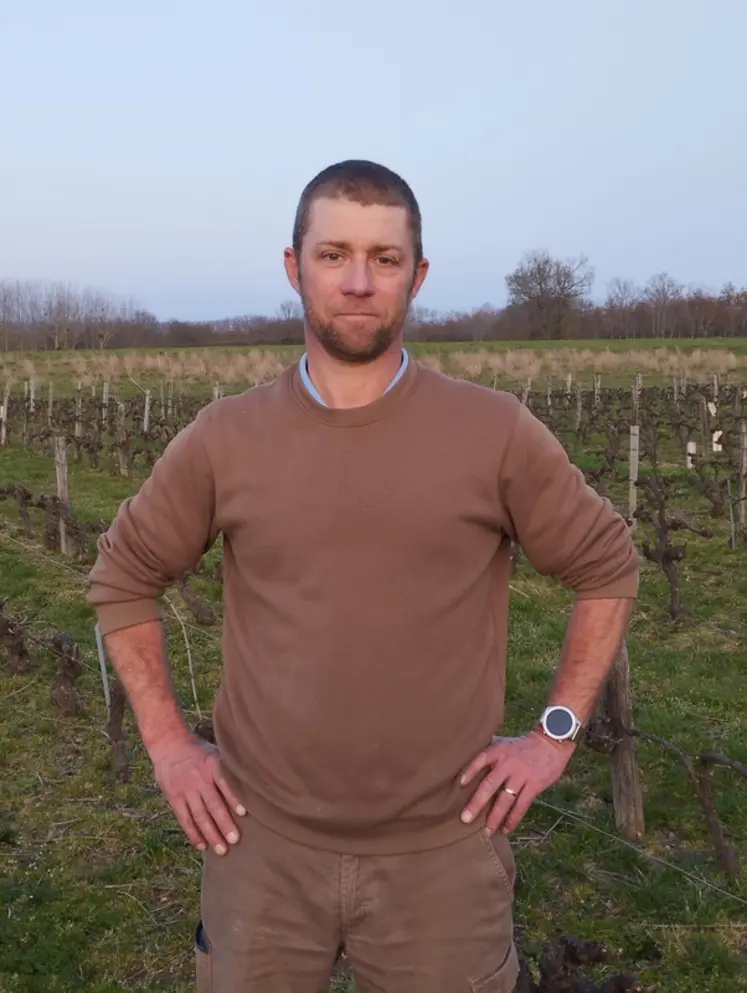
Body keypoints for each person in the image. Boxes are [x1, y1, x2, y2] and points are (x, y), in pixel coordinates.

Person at [87, 159, 639, 993]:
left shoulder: (492, 432)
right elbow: (123, 574)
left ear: (416, 277)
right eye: (333, 253)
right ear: (292, 266)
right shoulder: (225, 438)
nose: (356, 281)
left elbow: (606, 564)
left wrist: (553, 733)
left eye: (384, 259)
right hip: (258, 847)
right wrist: (169, 748)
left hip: (444, 855)